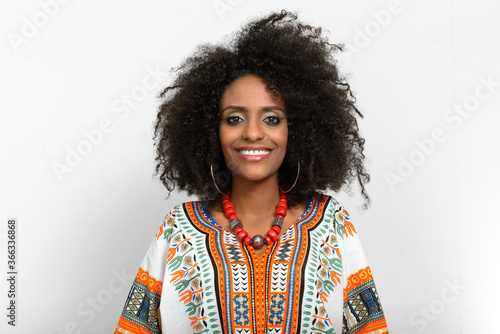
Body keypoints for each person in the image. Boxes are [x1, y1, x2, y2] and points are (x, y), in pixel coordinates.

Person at [115, 10, 389, 334]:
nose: (254, 133)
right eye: (234, 119)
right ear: (210, 131)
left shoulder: (332, 224)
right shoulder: (179, 230)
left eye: (272, 118)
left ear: (297, 130)